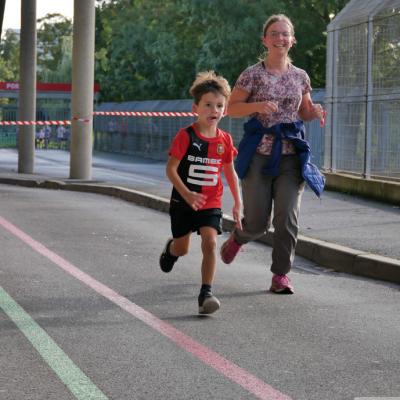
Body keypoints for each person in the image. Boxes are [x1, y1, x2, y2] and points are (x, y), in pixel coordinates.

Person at [220, 14, 325, 294]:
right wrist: (257, 106)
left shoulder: (300, 76)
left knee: (287, 217)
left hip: (291, 156)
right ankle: (239, 238)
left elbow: (303, 110)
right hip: (259, 155)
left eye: (285, 34)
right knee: (256, 223)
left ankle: (281, 275)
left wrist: (312, 113)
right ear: (265, 40)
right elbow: (231, 108)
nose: (280, 38)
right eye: (274, 33)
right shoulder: (252, 74)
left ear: (293, 40)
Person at [159, 71, 242, 315]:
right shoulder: (186, 136)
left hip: (210, 201)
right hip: (183, 202)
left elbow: (230, 173)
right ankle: (171, 249)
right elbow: (171, 169)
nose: (213, 110)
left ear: (224, 110)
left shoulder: (224, 140)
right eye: (207, 105)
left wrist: (238, 203)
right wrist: (186, 194)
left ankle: (206, 294)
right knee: (182, 249)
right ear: (196, 107)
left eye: (219, 105)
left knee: (210, 241)